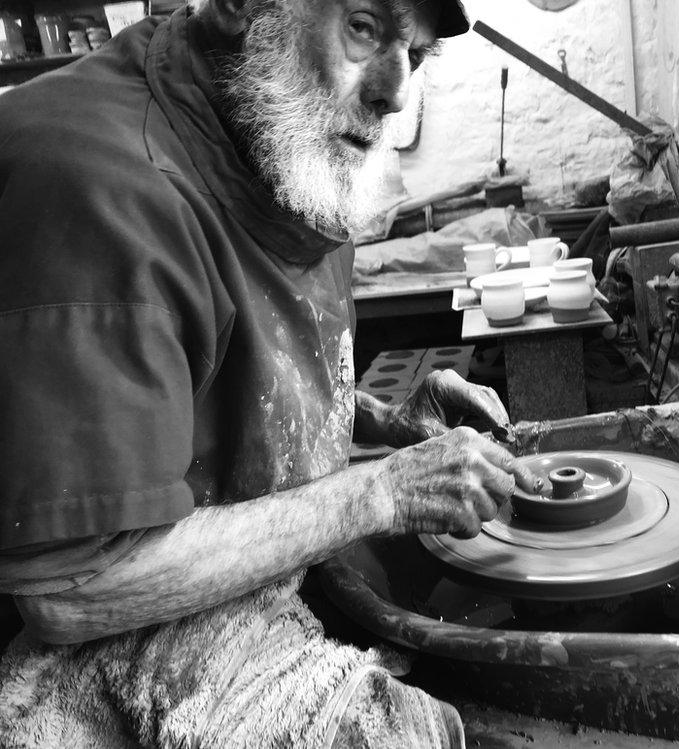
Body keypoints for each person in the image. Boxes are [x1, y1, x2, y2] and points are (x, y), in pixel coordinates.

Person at [0, 0, 534, 744]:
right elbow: (70, 587)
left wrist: (377, 419)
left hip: (222, 580)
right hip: (91, 629)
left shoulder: (288, 134)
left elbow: (210, 377)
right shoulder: (97, 184)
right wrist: (382, 486)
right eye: (364, 27)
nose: (396, 88)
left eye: (416, 53)